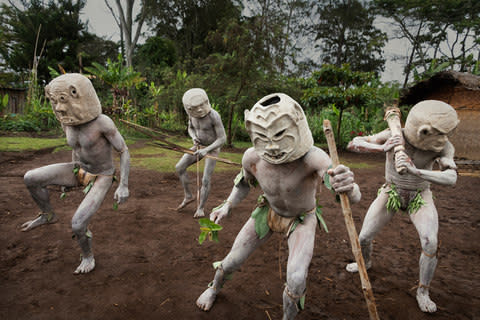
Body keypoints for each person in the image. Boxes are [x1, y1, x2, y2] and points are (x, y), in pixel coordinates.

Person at [196, 93, 361, 319]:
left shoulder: (313, 159)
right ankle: (213, 288)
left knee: (296, 278)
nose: (272, 146)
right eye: (264, 136)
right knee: (232, 260)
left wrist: (348, 186)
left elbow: (352, 197)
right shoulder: (252, 158)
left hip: (301, 219)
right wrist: (227, 205)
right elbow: (244, 184)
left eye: (281, 134)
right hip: (268, 212)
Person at [345, 100, 459, 313]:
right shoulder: (395, 134)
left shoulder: (443, 146)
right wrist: (382, 147)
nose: (443, 139)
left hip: (420, 195)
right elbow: (354, 143)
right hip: (392, 191)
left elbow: (451, 177)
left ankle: (423, 291)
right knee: (363, 238)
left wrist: (416, 171)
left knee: (430, 242)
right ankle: (366, 262)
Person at [21, 73, 130, 274]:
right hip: (78, 168)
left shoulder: (102, 122)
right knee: (31, 178)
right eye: (55, 102)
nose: (60, 107)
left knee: (78, 224)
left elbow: (123, 151)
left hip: (102, 175)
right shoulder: (67, 121)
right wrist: (73, 175)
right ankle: (48, 214)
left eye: (63, 101)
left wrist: (123, 185)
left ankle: (88, 257)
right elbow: (77, 149)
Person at [175, 88, 226, 218]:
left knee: (205, 179)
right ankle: (188, 195)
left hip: (212, 149)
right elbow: (191, 128)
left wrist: (206, 150)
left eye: (200, 106)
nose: (199, 110)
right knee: (179, 167)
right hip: (198, 146)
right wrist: (193, 137)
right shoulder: (192, 116)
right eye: (194, 108)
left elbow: (222, 139)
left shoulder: (214, 116)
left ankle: (201, 207)